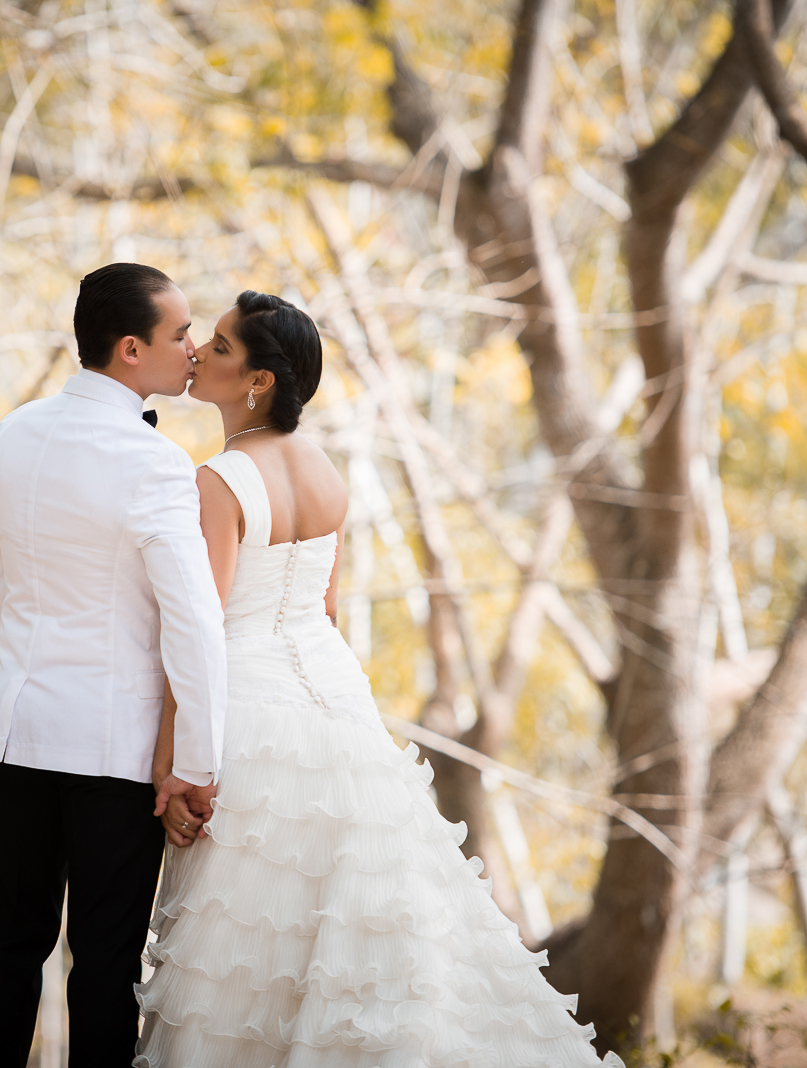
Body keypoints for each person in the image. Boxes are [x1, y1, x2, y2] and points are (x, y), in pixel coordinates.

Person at [136, 291, 624, 1068]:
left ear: (260, 381)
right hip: (338, 712)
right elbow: (324, 611)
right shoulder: (326, 472)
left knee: (252, 944)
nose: (199, 355)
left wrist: (171, 764)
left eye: (220, 348)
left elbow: (203, 631)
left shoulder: (219, 482)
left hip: (254, 716)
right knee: (346, 920)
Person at [0, 263, 228, 1067]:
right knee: (105, 966)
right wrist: (199, 763)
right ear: (128, 350)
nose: (194, 346)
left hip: (13, 733)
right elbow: (193, 624)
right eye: (180, 334)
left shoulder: (9, 432)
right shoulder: (155, 464)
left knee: (7, 948)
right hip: (109, 751)